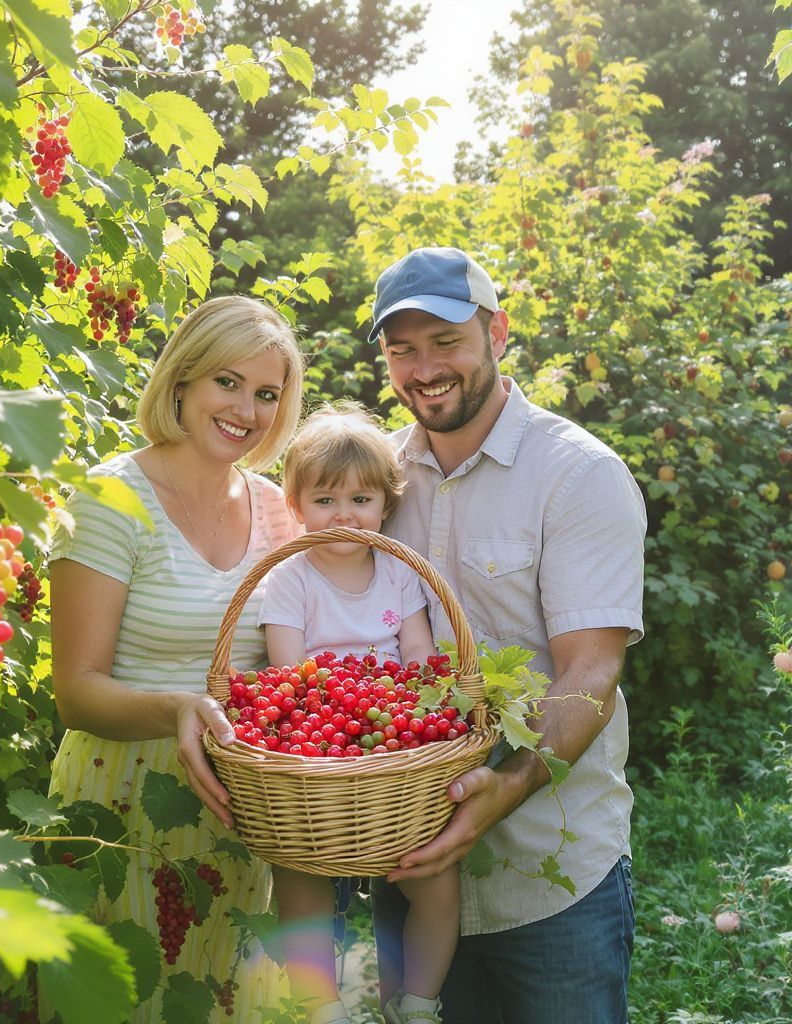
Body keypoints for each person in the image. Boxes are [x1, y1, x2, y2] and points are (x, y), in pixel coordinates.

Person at [367, 247, 646, 1024]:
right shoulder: (376, 480)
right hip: (412, 865)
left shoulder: (578, 475)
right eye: (402, 349)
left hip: (552, 879)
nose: (424, 368)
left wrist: (510, 787)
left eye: (445, 341)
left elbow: (591, 668)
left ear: (499, 331)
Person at [48, 295, 304, 1023]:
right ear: (182, 380)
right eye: (228, 382)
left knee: (223, 1001)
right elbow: (76, 690)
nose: (246, 410)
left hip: (232, 807)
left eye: (266, 394)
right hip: (120, 803)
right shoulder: (110, 498)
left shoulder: (279, 512)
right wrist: (177, 708)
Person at [257, 405, 453, 1024]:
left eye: (361, 498)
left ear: (385, 505)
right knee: (300, 871)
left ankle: (418, 1001)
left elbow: (419, 652)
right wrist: (346, 703)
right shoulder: (289, 579)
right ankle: (320, 1005)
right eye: (324, 500)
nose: (343, 514)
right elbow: (290, 678)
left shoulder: (397, 571)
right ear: (296, 505)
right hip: (323, 745)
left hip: (392, 747)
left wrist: (420, 692)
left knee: (437, 884)